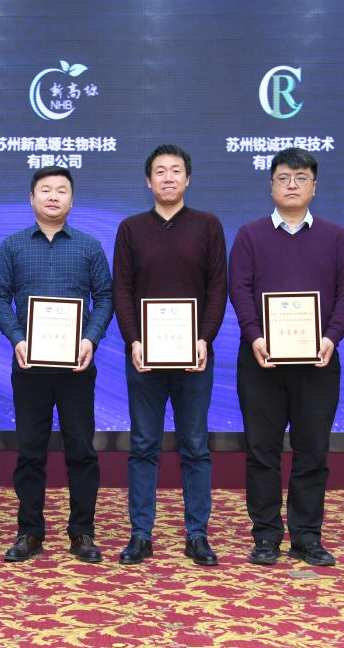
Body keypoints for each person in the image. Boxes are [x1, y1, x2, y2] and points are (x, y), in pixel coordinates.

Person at [229, 147, 344, 567]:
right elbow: (239, 289)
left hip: (317, 362)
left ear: (314, 187)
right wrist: (254, 335)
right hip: (262, 361)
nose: (292, 185)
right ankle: (266, 535)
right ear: (271, 185)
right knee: (261, 451)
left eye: (301, 178)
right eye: (284, 177)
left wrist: (332, 337)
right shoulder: (250, 235)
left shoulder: (335, 237)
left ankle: (306, 536)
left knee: (312, 451)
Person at [0, 166, 114, 563]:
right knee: (30, 451)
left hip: (76, 367)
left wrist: (90, 338)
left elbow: (105, 297)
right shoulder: (13, 246)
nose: (53, 196)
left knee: (82, 450)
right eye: (45, 190)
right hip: (29, 366)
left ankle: (82, 532)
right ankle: (29, 532)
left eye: (62, 190)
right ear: (32, 198)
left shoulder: (89, 246)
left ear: (72, 200)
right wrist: (17, 338)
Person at [112, 145, 228, 566]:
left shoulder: (208, 226)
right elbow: (122, 289)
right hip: (144, 357)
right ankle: (140, 534)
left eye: (176, 170)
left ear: (188, 179)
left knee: (195, 446)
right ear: (148, 181)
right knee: (143, 445)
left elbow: (218, 288)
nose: (168, 177)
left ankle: (197, 535)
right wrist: (133, 341)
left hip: (194, 356)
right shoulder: (131, 229)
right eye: (159, 171)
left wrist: (205, 339)